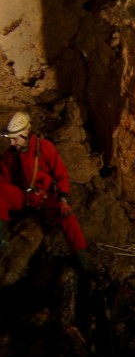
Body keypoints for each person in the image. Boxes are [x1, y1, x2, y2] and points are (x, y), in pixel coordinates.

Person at [0, 111, 93, 273]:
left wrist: (63, 199)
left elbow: (61, 175)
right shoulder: (11, 155)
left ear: (26, 132)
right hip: (23, 197)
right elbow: (3, 181)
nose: (12, 143)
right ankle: (1, 241)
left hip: (44, 199)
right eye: (10, 139)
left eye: (15, 139)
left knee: (67, 217)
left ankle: (83, 263)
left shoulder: (44, 148)